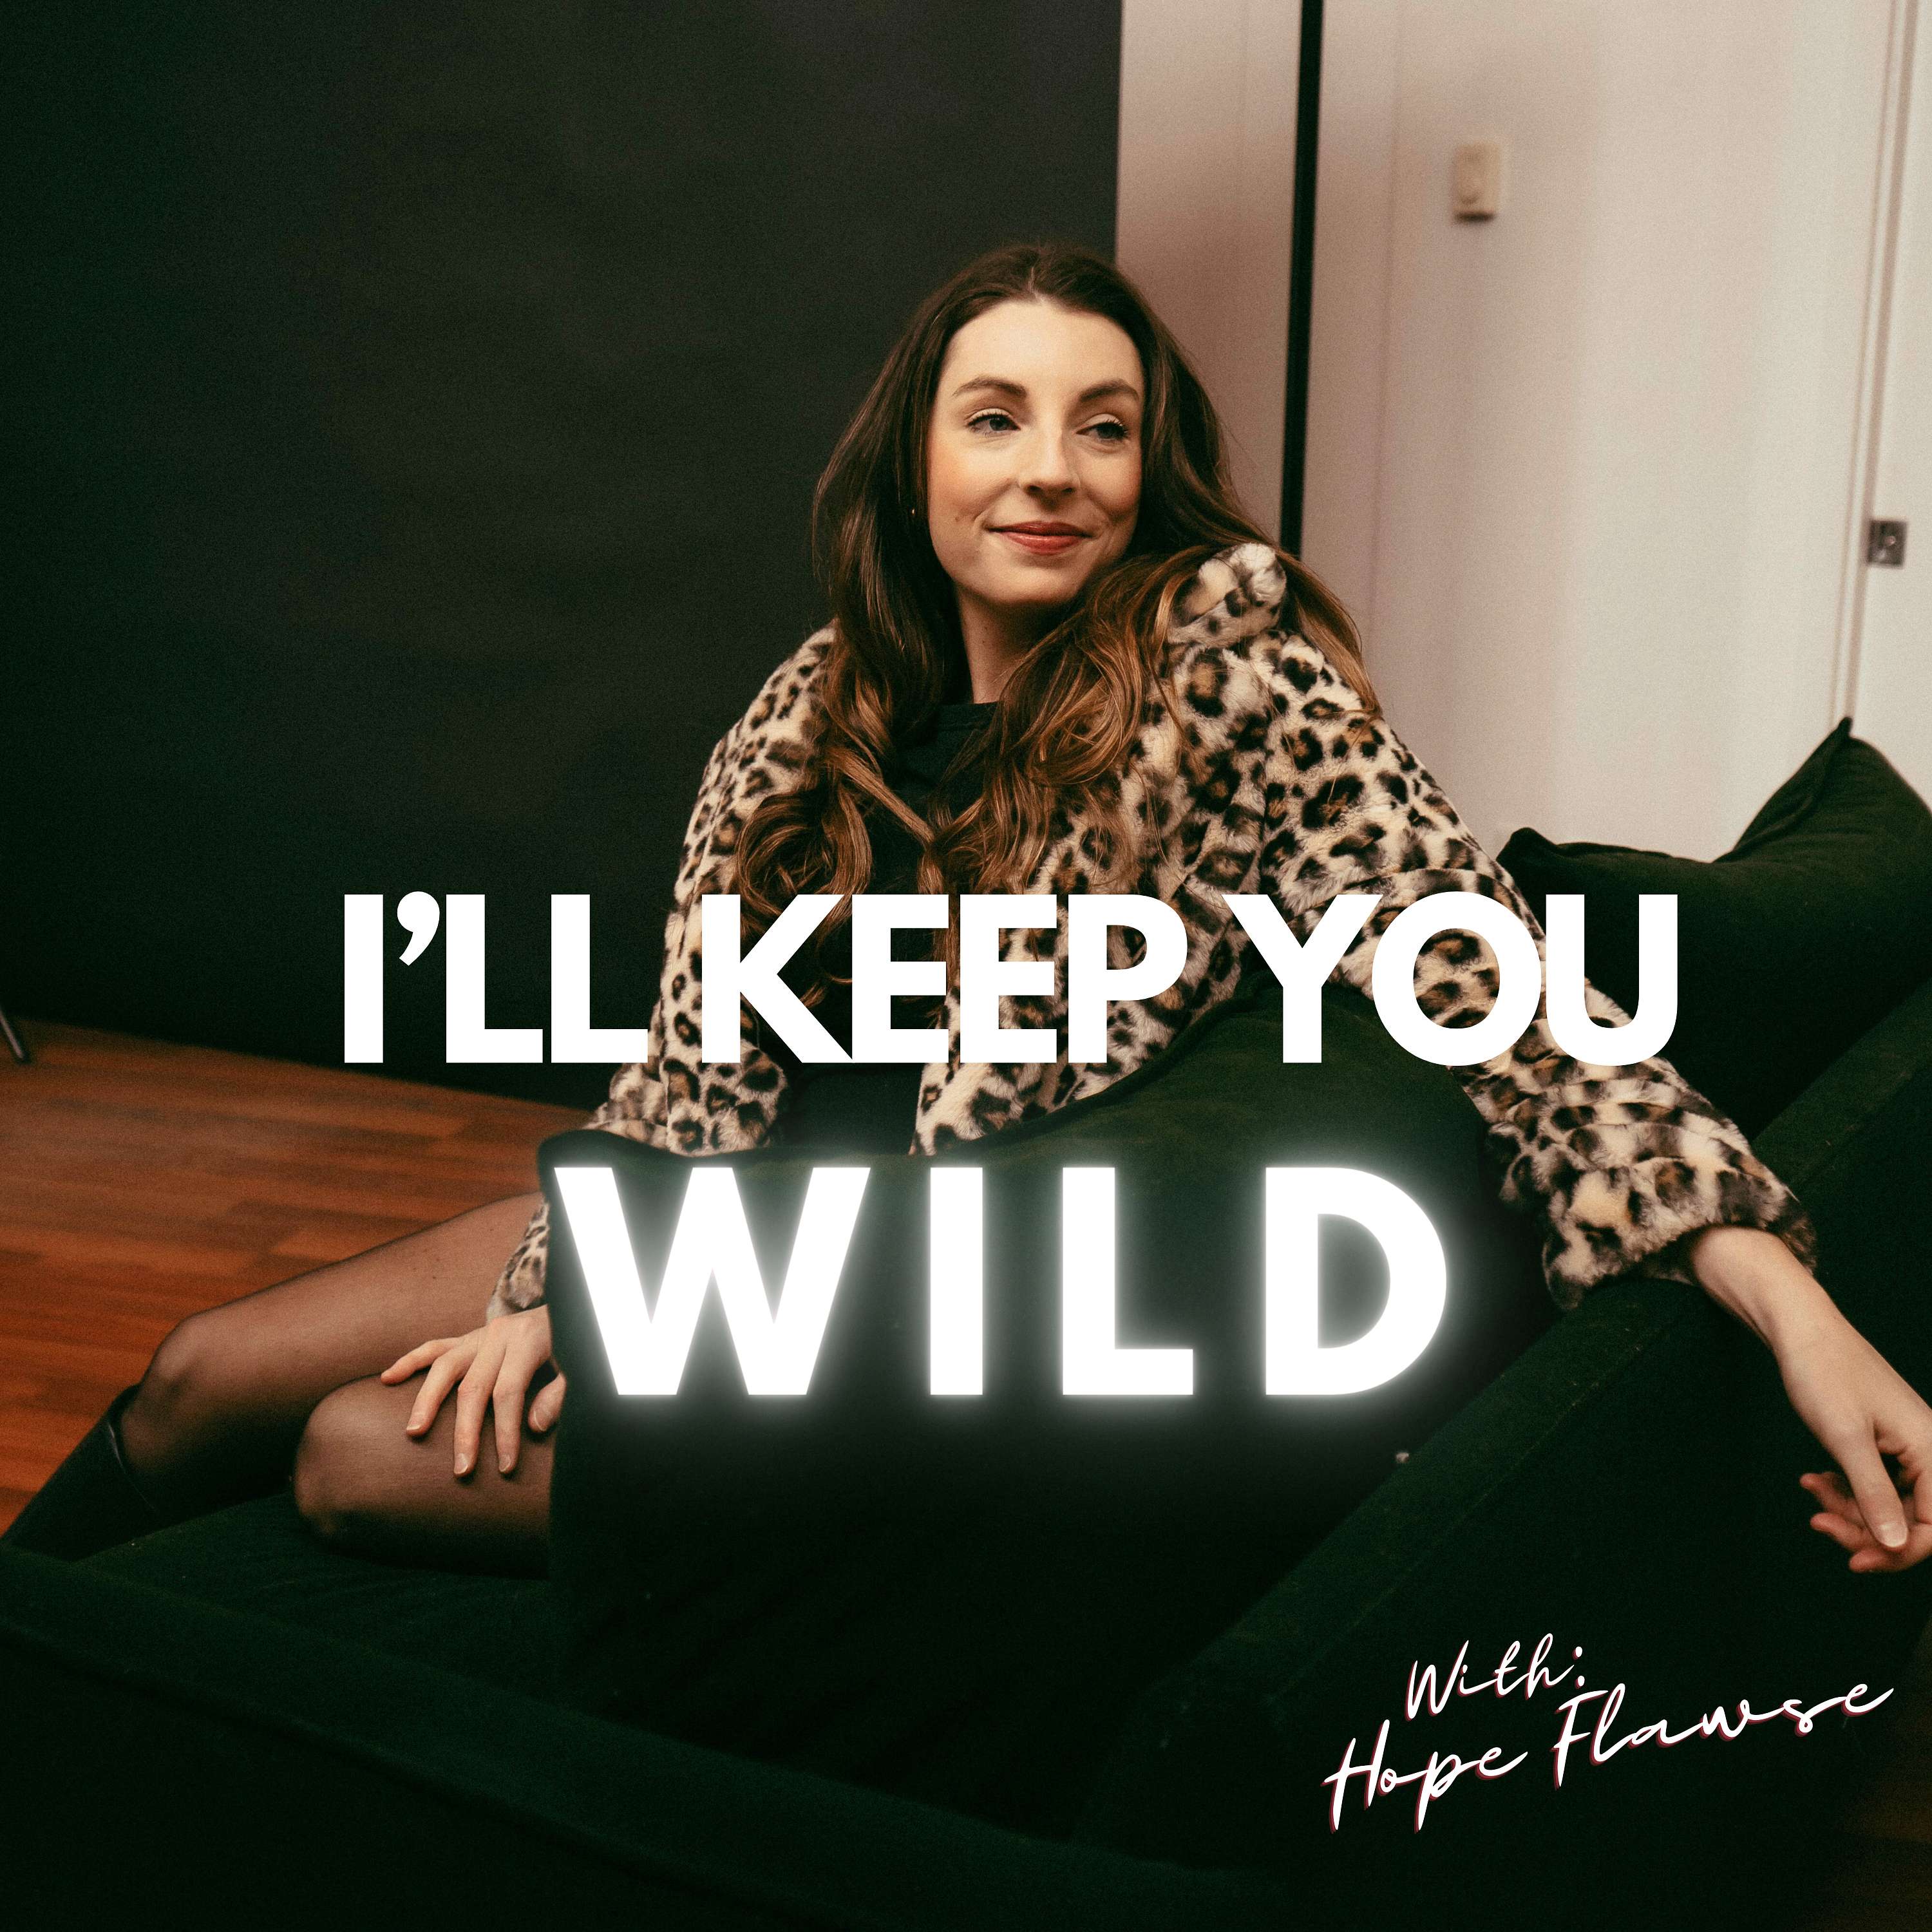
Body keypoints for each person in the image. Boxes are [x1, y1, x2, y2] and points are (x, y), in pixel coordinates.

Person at [10, 243, 1930, 1598]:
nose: (1048, 472)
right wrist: (567, 1296)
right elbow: (684, 1081)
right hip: (727, 1229)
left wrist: (1794, 1300)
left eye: (1102, 428)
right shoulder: (808, 716)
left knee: (355, 1455)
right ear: (914, 457)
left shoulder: (1236, 695)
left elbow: (1504, 1001)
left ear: (1148, 470)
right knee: (201, 1375)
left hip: (913, 1327)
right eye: (996, 417)